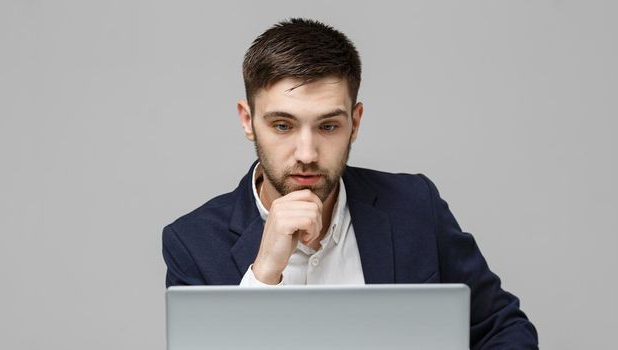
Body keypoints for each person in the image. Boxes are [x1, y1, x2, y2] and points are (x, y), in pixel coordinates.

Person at [161, 18, 538, 349]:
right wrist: (264, 272)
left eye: (328, 126)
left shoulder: (415, 207)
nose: (306, 153)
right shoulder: (192, 243)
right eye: (282, 125)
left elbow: (502, 329)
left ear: (355, 123)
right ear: (247, 120)